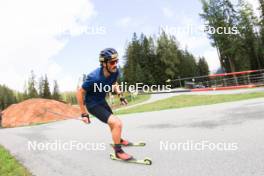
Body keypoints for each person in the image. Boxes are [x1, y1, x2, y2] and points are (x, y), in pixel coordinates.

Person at [76, 48, 132, 160]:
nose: (115, 64)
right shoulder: (94, 77)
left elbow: (114, 83)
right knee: (117, 123)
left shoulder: (115, 71)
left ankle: (118, 140)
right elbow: (80, 92)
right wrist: (84, 113)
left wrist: (120, 96)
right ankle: (118, 151)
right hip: (93, 105)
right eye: (112, 62)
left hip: (102, 101)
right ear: (104, 63)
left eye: (117, 61)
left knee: (113, 123)